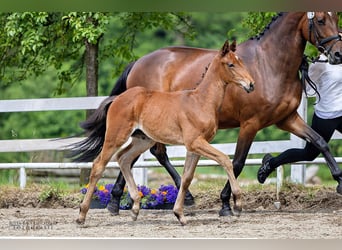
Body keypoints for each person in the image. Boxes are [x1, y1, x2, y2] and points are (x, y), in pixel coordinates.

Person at [257, 51, 342, 184]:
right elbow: (307, 89)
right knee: (309, 154)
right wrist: (305, 72)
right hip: (327, 116)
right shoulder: (321, 63)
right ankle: (271, 163)